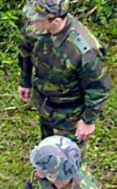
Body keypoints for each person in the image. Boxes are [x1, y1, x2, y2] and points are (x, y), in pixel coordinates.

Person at [18, 0, 110, 145]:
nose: (33, 21)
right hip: (45, 103)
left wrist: (88, 120)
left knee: (69, 158)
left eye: (38, 19)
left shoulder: (84, 49)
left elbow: (98, 88)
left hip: (70, 113)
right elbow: (25, 52)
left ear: (55, 21)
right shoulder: (36, 28)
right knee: (47, 148)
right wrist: (25, 82)